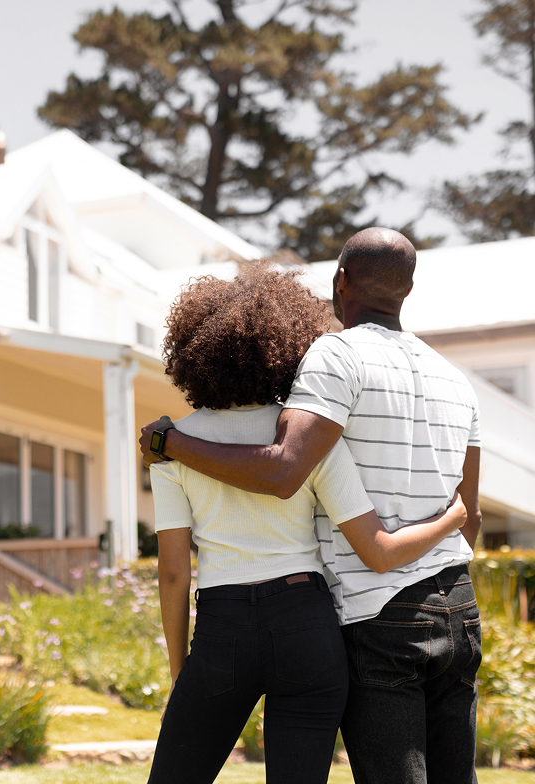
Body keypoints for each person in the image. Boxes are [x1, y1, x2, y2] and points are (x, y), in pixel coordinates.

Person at [141, 228, 482, 784]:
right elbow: (467, 513)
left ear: (340, 279)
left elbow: (181, 565)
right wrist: (451, 521)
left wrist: (169, 443)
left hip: (334, 618)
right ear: (410, 288)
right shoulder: (449, 382)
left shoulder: (324, 378)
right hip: (382, 617)